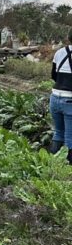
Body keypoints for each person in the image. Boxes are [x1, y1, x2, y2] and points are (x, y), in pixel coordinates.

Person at [50, 31, 72, 164]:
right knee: (70, 137)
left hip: (55, 97)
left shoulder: (59, 53)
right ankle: (68, 170)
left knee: (58, 132)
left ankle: (52, 164)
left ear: (68, 37)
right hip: (70, 100)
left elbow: (53, 75)